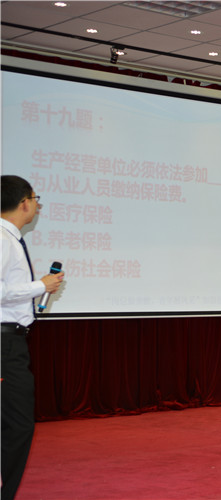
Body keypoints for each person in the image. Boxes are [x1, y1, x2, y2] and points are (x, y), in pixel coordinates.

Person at [2, 175, 65, 500]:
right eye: (35, 199)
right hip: (4, 345)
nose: (38, 205)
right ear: (23, 202)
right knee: (17, 424)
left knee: (12, 423)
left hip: (11, 342)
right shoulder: (2, 238)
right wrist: (40, 286)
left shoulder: (10, 238)